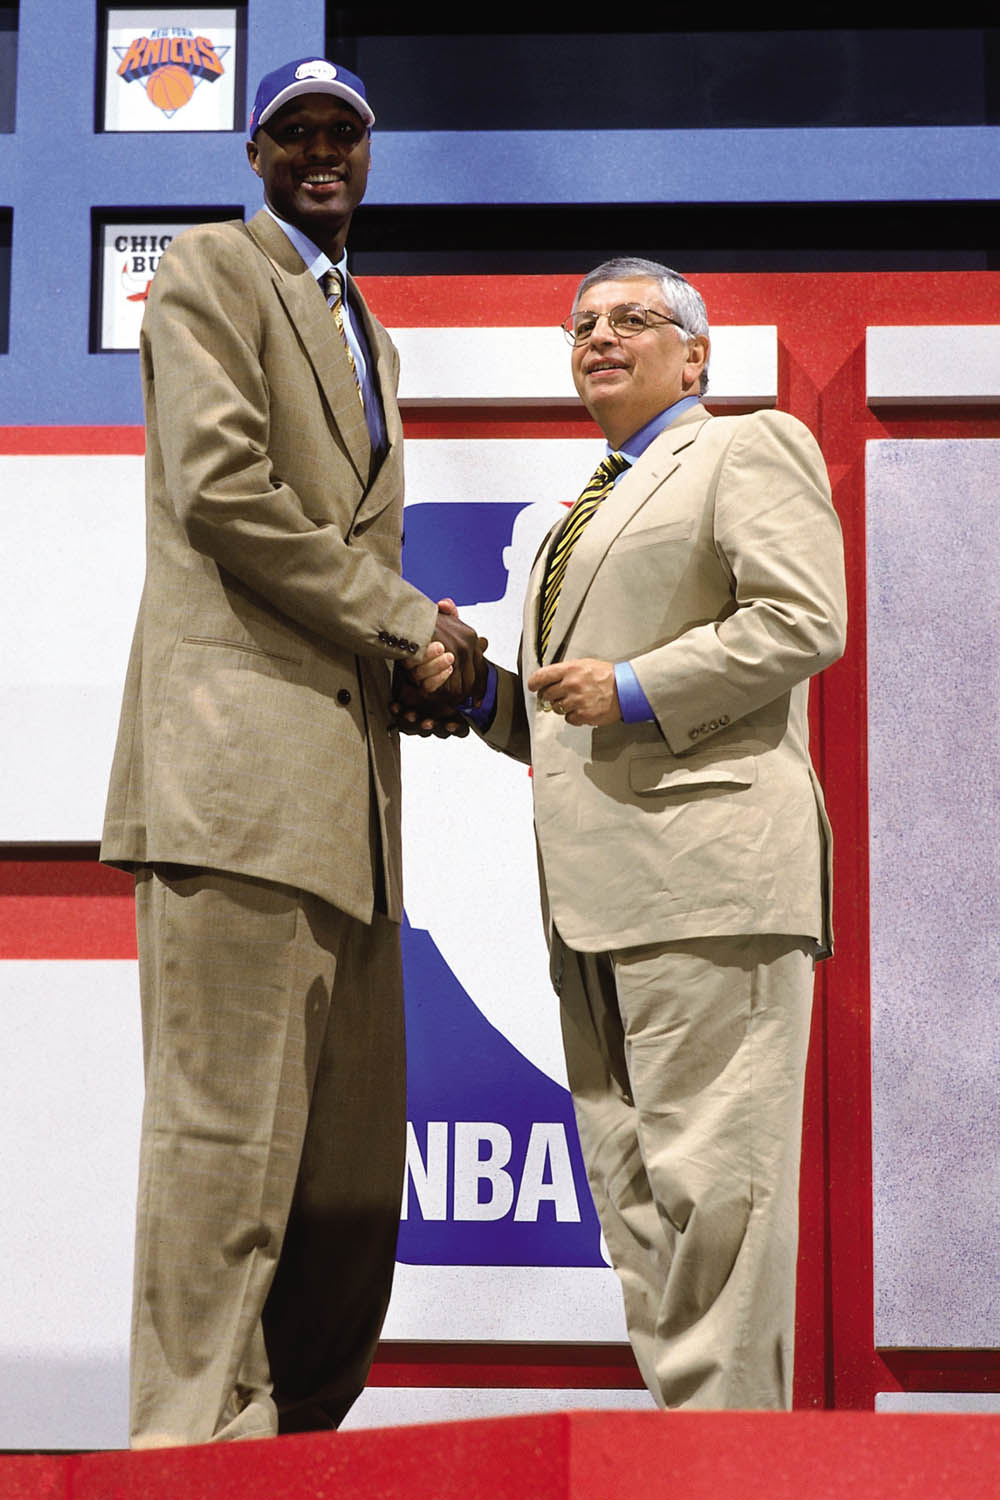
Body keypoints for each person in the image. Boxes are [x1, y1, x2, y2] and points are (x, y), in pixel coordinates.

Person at [100, 57, 481, 1446]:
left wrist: (418, 675)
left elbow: (337, 548)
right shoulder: (211, 269)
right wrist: (404, 623)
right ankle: (187, 1443)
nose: (321, 156)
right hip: (233, 785)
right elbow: (225, 491)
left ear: (370, 157)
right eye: (294, 135)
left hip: (351, 804)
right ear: (255, 157)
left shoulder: (367, 329)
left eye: (344, 135)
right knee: (222, 1152)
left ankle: (292, 1443)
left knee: (337, 1184)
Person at [401, 257, 847, 1409]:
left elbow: (804, 619)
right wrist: (476, 692)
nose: (601, 337)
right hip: (592, 903)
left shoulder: (746, 450)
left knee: (719, 1199)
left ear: (696, 356)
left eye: (634, 321)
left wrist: (640, 685)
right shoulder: (564, 526)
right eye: (583, 324)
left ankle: (730, 1473)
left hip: (712, 885)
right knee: (639, 1205)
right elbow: (563, 712)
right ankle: (689, 1449)